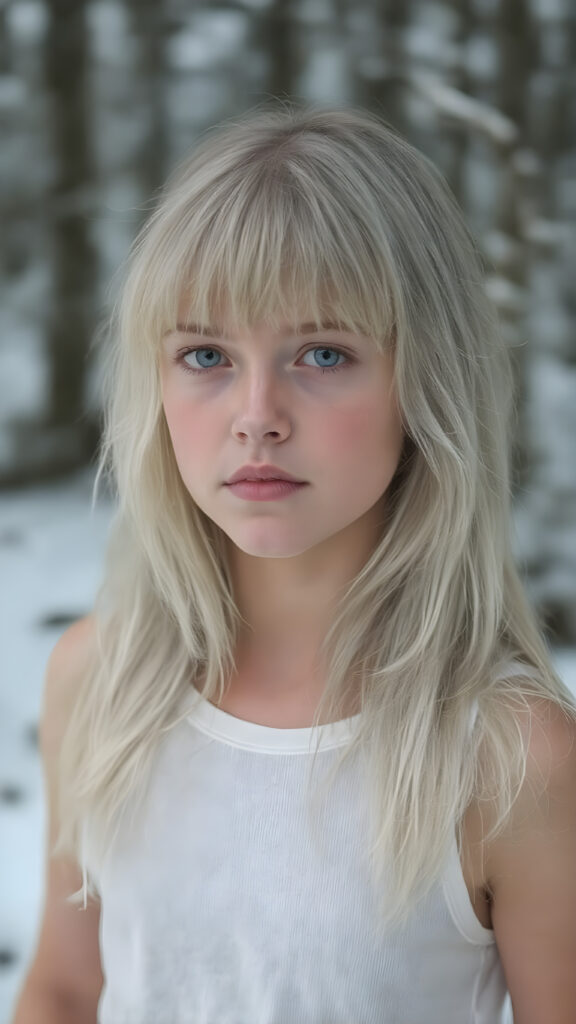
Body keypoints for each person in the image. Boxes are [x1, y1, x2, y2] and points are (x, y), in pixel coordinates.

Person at [12, 104, 576, 1024]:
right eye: (205, 354)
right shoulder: (101, 681)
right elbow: (67, 992)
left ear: (425, 383)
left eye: (323, 353)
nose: (257, 414)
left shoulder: (511, 754)